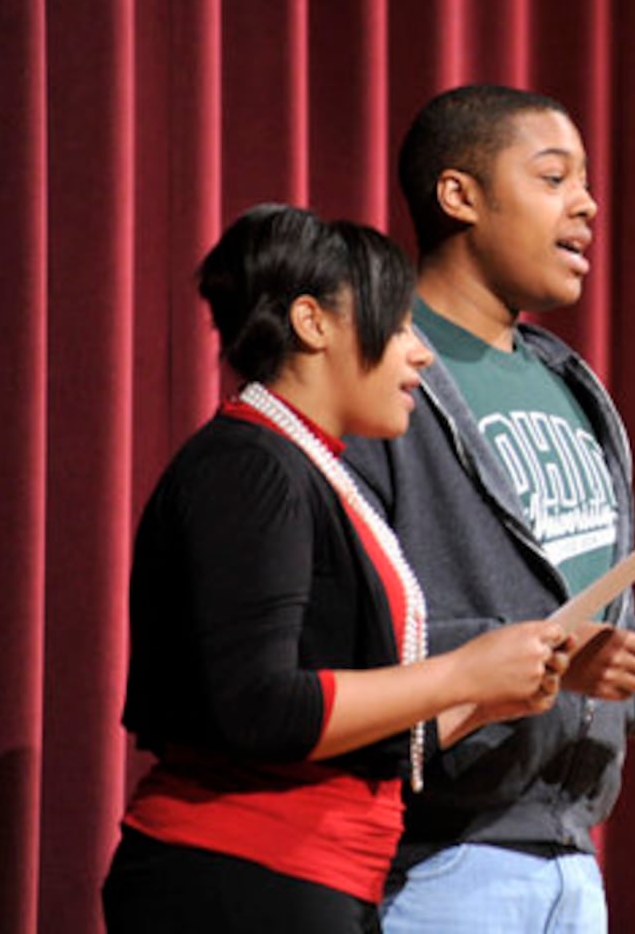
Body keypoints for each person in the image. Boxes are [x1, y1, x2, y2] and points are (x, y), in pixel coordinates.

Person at [342, 85, 635, 932]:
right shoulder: (382, 372)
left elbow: (582, 612)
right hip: (430, 859)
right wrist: (547, 656)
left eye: (586, 181)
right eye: (552, 177)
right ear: (459, 195)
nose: (588, 204)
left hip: (571, 858)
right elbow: (351, 630)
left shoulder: (570, 383)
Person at [102, 204, 574, 934]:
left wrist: (490, 698)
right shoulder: (249, 468)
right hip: (242, 878)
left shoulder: (301, 464)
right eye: (398, 324)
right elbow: (260, 707)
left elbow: (342, 732)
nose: (420, 354)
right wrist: (461, 675)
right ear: (312, 324)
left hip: (307, 879)